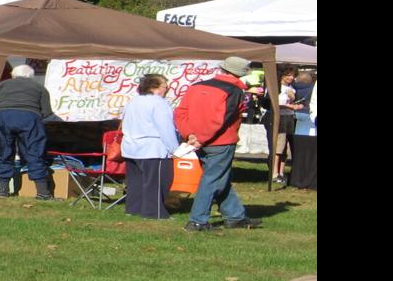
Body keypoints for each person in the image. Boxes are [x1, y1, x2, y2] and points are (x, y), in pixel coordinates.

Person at [173, 56, 260, 231]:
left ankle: (235, 216)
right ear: (241, 74)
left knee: (220, 178)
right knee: (212, 180)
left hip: (196, 139)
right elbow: (221, 120)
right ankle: (197, 221)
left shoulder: (197, 86)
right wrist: (201, 138)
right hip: (219, 141)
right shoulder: (235, 91)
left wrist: (190, 135)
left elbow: (180, 112)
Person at [0, 64, 54, 200]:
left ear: (13, 74)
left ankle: (3, 190)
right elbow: (46, 112)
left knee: (4, 152)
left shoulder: (2, 85)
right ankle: (43, 192)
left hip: (3, 116)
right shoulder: (40, 88)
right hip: (30, 118)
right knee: (34, 152)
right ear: (31, 76)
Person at [120, 74, 182, 219]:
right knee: (157, 181)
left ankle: (134, 209)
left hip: (131, 147)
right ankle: (154, 212)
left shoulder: (133, 102)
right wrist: (174, 148)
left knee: (136, 181)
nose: (167, 90)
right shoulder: (159, 103)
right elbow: (166, 128)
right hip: (153, 148)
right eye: (165, 87)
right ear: (155, 87)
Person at [271, 69, 297, 185]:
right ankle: (274, 173)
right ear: (281, 75)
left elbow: (292, 102)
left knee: (285, 147)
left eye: (292, 75)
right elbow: (271, 103)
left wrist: (293, 101)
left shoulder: (291, 88)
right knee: (279, 147)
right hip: (279, 118)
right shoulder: (276, 87)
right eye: (288, 75)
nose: (291, 78)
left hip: (289, 117)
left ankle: (281, 172)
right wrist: (287, 105)